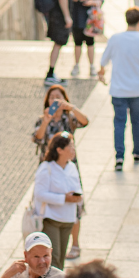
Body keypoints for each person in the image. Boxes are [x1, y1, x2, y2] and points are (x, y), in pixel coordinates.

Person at [31, 85, 89, 259]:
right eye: (51, 97)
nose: (54, 100)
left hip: (69, 166)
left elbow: (85, 121)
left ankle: (75, 243)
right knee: (47, 202)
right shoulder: (42, 119)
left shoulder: (69, 118)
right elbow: (37, 138)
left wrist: (71, 107)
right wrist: (46, 120)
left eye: (58, 97)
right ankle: (48, 244)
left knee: (74, 203)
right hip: (49, 167)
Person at [97, 7, 139, 171]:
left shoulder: (115, 39)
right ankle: (137, 152)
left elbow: (104, 59)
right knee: (137, 121)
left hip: (118, 88)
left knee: (119, 123)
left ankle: (119, 156)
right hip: (137, 88)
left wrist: (101, 72)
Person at [33, 133, 82, 270]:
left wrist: (78, 197)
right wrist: (63, 198)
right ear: (59, 150)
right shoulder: (46, 168)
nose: (73, 149)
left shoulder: (71, 167)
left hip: (68, 218)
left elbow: (77, 187)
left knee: (60, 261)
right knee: (52, 260)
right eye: (70, 146)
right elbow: (40, 194)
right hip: (51, 219)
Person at [45, 0, 78, 85]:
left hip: (54, 11)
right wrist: (67, 16)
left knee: (57, 43)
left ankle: (51, 73)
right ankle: (50, 74)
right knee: (58, 43)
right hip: (59, 14)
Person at [68, 0, 104, 78]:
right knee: (77, 43)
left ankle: (92, 65)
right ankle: (76, 64)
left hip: (91, 19)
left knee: (90, 43)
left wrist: (91, 2)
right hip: (77, 17)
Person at [0, 232, 65, 278]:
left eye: (45, 256)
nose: (42, 261)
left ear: (51, 253)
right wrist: (6, 276)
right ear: (26, 256)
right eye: (36, 256)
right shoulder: (16, 275)